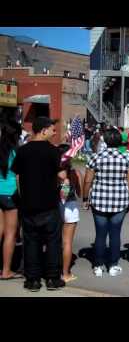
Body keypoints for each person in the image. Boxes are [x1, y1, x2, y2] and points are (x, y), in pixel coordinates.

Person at [11, 117, 67, 292]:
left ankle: (33, 280)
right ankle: (52, 278)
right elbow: (62, 176)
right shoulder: (53, 151)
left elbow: (17, 176)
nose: (54, 133)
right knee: (52, 242)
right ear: (43, 130)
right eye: (52, 129)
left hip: (28, 204)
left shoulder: (23, 151)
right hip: (49, 204)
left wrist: (23, 196)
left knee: (31, 242)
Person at [83, 128, 129, 278]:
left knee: (100, 234)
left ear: (105, 141)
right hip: (119, 202)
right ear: (119, 142)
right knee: (115, 234)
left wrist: (86, 199)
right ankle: (113, 265)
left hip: (99, 200)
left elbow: (87, 181)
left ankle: (98, 266)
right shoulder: (127, 158)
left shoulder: (95, 157)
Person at [57, 144, 83, 283]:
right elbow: (79, 193)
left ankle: (53, 269)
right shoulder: (74, 173)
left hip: (54, 206)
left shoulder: (54, 171)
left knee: (55, 240)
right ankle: (65, 273)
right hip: (70, 207)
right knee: (67, 242)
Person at [0, 121, 22, 280]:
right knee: (10, 234)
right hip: (11, 194)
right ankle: (6, 270)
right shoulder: (15, 152)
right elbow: (18, 177)